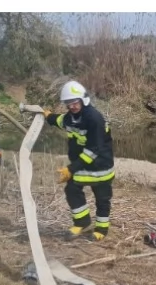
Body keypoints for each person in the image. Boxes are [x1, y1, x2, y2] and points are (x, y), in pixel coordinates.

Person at [42, 80, 115, 241]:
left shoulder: (94, 119)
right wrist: (48, 116)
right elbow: (61, 121)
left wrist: (71, 169)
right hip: (82, 165)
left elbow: (92, 151)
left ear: (83, 100)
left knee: (102, 198)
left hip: (100, 166)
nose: (72, 106)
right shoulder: (71, 117)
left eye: (74, 102)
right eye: (68, 103)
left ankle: (101, 229)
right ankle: (82, 222)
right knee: (72, 190)